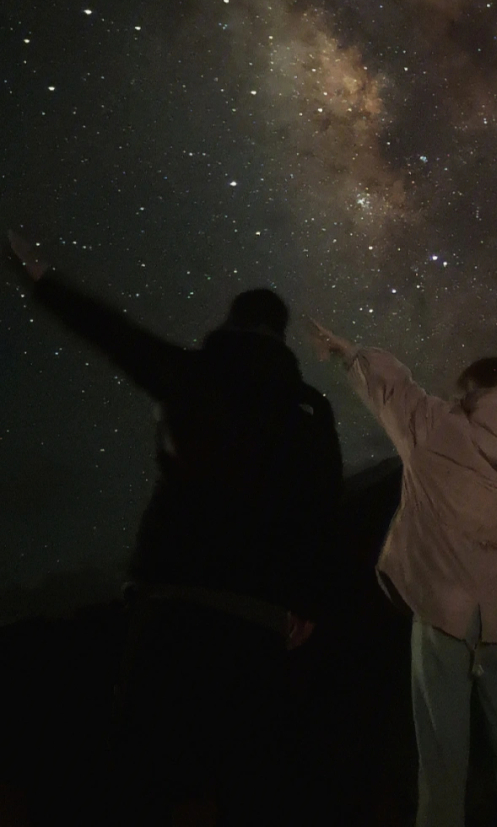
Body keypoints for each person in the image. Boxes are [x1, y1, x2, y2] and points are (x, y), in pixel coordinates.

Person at [7, 232, 343, 825]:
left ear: (234, 323)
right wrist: (309, 600)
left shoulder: (191, 374)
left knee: (151, 781)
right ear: (279, 334)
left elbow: (112, 333)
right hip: (260, 620)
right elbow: (323, 505)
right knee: (246, 782)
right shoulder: (310, 407)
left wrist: (40, 278)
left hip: (171, 604)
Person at [310, 320, 497, 827]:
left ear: (473, 393)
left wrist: (348, 352)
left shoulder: (438, 427)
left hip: (445, 613)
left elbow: (390, 389)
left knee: (442, 768)